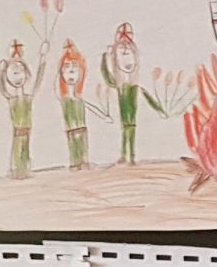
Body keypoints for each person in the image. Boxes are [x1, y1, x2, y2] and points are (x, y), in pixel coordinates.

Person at [99, 23, 170, 167]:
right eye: (123, 54)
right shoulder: (119, 84)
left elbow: (148, 97)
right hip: (124, 97)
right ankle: (124, 155)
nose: (128, 61)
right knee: (126, 127)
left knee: (129, 127)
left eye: (130, 55)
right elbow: (108, 79)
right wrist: (104, 59)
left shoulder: (135, 87)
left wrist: (160, 110)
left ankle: (130, 156)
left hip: (130, 105)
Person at [0, 40, 36, 178]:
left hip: (27, 130)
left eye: (20, 72)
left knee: (25, 150)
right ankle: (16, 170)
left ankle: (24, 169)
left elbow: (38, 81)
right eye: (14, 73)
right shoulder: (12, 99)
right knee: (17, 149)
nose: (18, 77)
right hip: (18, 131)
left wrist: (43, 59)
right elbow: (2, 88)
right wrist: (0, 72)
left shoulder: (28, 98)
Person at [54, 39, 94, 171]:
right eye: (66, 67)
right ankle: (75, 162)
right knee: (73, 137)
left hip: (81, 129)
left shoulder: (80, 100)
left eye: (75, 67)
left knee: (81, 136)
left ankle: (83, 160)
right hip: (71, 129)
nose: (71, 71)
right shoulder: (65, 100)